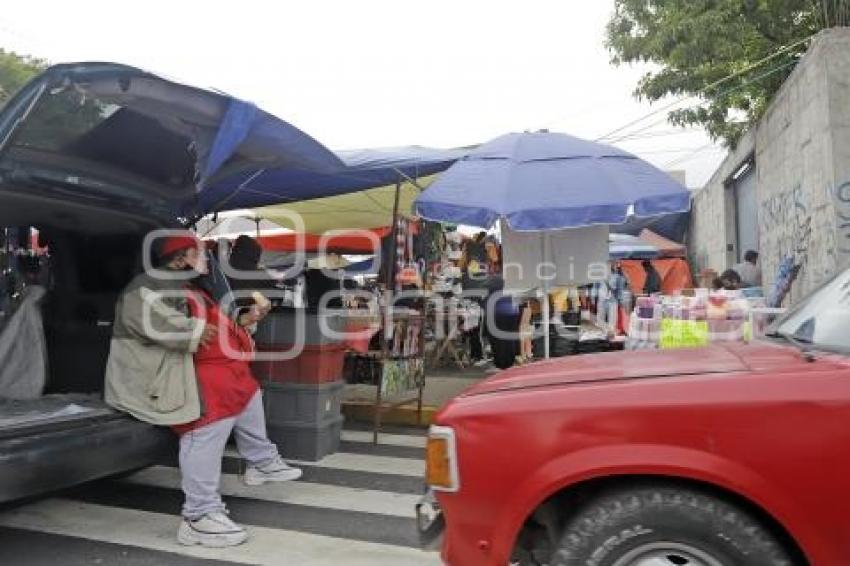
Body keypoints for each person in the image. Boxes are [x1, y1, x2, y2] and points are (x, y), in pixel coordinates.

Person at [105, 232, 301, 548]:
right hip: (161, 375)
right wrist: (198, 329)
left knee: (246, 387)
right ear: (181, 256)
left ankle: (260, 461)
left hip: (194, 364)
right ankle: (199, 515)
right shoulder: (145, 288)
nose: (206, 259)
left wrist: (248, 319)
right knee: (209, 417)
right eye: (199, 253)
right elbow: (167, 324)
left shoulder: (191, 287)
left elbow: (221, 323)